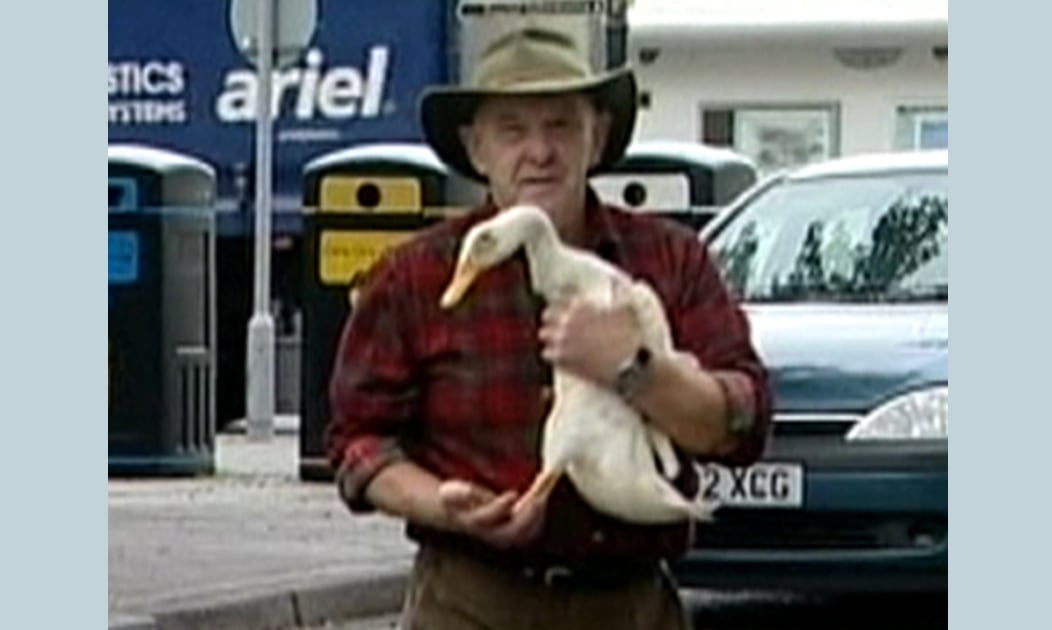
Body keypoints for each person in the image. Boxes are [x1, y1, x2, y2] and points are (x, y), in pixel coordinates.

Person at [326, 26, 772, 630]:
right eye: (512, 129)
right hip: (467, 604)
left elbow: (741, 424)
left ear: (599, 136)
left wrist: (636, 369)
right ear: (476, 147)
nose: (539, 151)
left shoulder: (671, 260)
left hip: (630, 607)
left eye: (561, 124)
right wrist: (443, 505)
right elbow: (358, 441)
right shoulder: (414, 278)